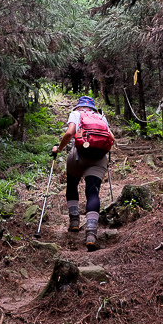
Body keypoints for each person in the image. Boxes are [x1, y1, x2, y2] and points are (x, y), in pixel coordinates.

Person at [52, 96, 115, 251]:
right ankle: (91, 234)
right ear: (93, 107)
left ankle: (74, 222)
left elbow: (69, 133)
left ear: (79, 106)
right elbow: (111, 138)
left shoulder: (76, 114)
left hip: (78, 157)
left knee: (72, 184)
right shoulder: (100, 116)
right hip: (99, 159)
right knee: (93, 193)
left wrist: (58, 149)